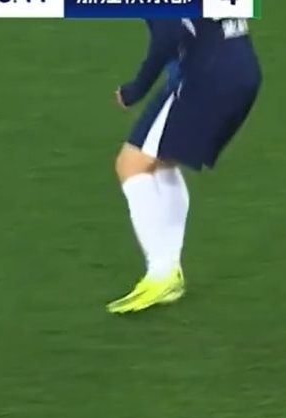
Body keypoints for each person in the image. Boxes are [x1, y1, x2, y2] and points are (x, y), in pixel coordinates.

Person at [108, 18, 260, 314]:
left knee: (131, 164)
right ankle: (168, 274)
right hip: (240, 70)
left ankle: (161, 273)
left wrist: (134, 90)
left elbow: (167, 36)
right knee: (162, 161)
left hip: (206, 76)